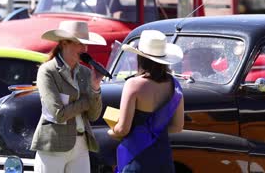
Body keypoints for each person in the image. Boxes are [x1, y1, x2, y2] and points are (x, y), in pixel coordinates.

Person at [31, 20, 106, 173]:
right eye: (79, 43)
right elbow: (59, 114)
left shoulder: (85, 73)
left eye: (86, 44)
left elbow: (93, 115)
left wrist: (95, 88)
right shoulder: (47, 71)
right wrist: (87, 100)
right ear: (64, 43)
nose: (85, 49)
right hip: (53, 145)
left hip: (81, 145)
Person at [108, 30, 185, 173]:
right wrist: (154, 130)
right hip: (163, 158)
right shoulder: (175, 86)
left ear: (141, 58)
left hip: (136, 157)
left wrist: (112, 131)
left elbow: (123, 129)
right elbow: (178, 127)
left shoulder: (133, 85)